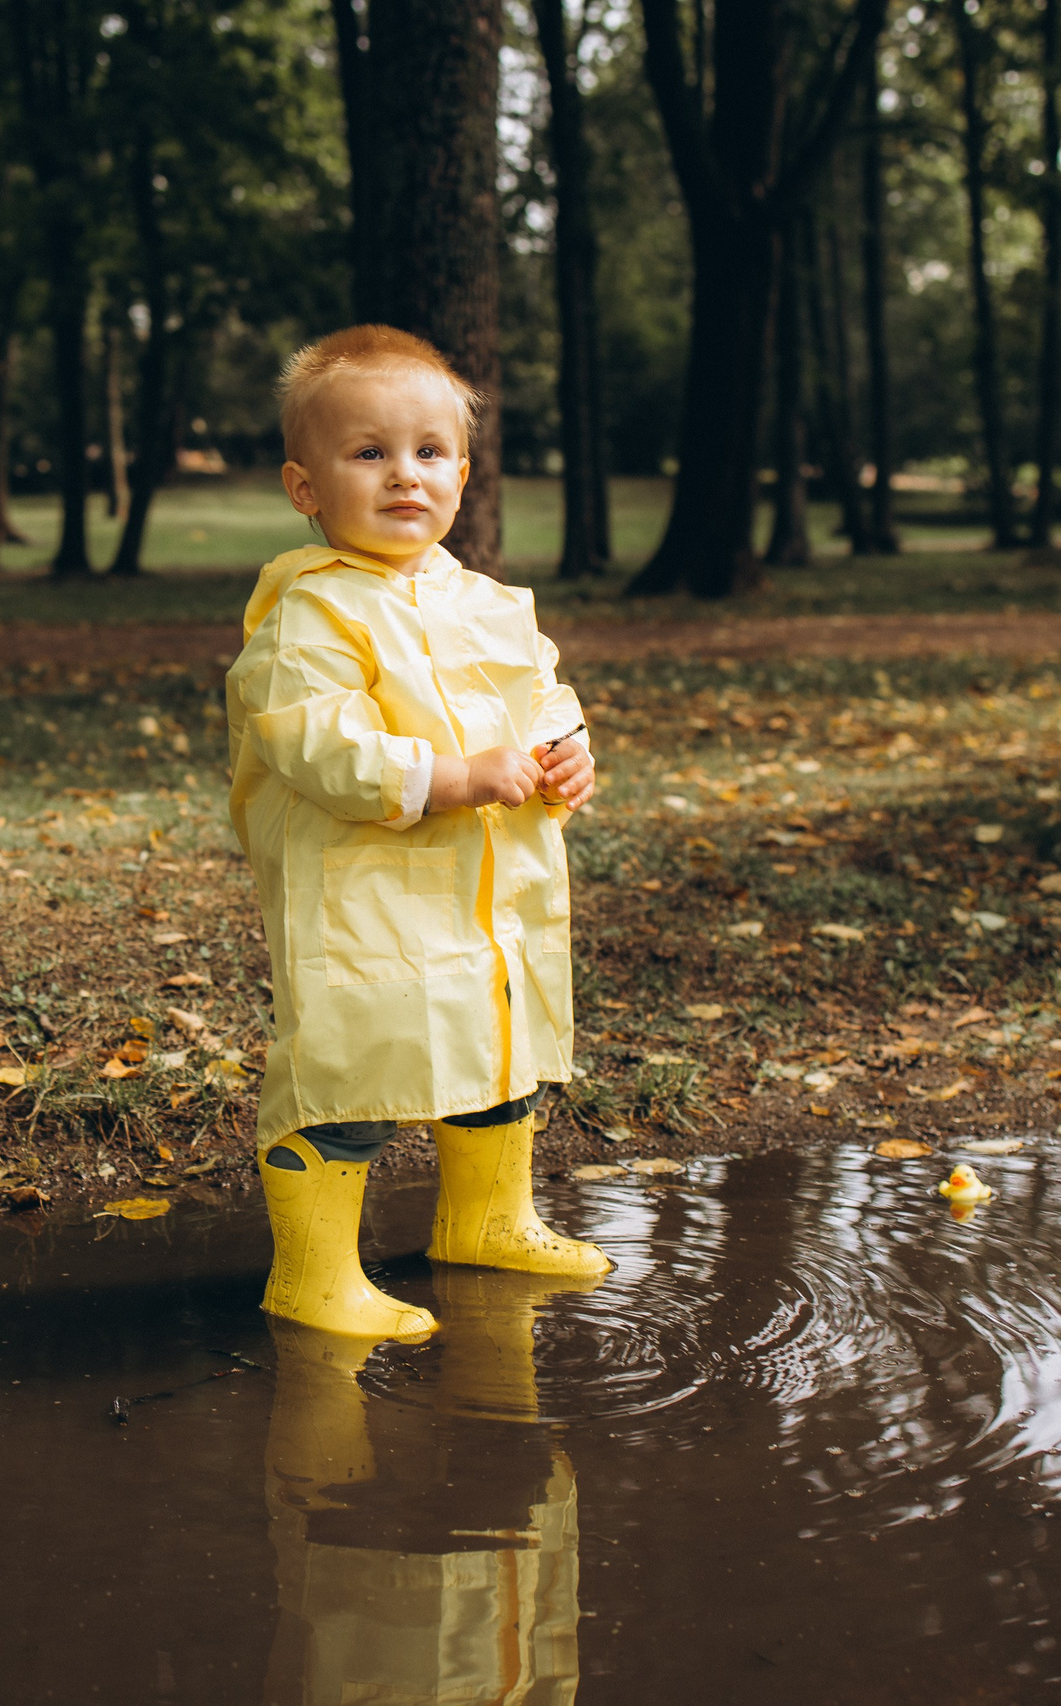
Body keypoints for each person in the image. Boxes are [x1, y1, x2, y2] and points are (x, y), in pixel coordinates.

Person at [226, 324, 607, 1341]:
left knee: (495, 1054)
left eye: (429, 453)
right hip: (368, 897)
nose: (405, 476)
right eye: (369, 453)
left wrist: (566, 746)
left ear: (464, 473)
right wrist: (452, 776)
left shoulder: (484, 603)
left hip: (488, 890)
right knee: (351, 1069)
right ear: (305, 487)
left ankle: (487, 1218)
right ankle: (312, 1272)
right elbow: (317, 744)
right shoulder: (308, 615)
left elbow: (542, 694)